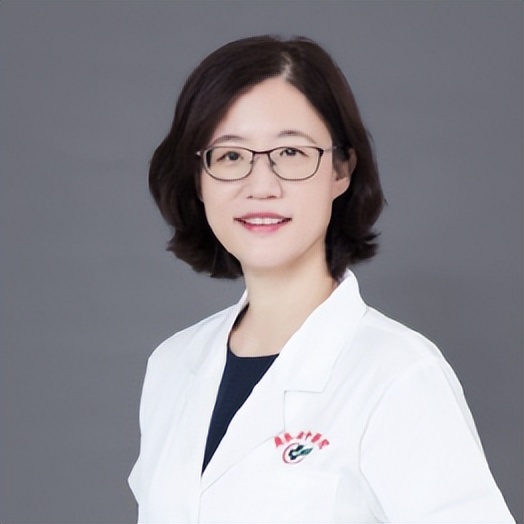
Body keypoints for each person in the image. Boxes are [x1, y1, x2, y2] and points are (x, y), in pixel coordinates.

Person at [128, 35, 514, 523]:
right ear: (198, 179)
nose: (261, 185)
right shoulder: (171, 366)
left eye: (291, 152)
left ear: (341, 170)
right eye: (231, 156)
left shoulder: (398, 374)